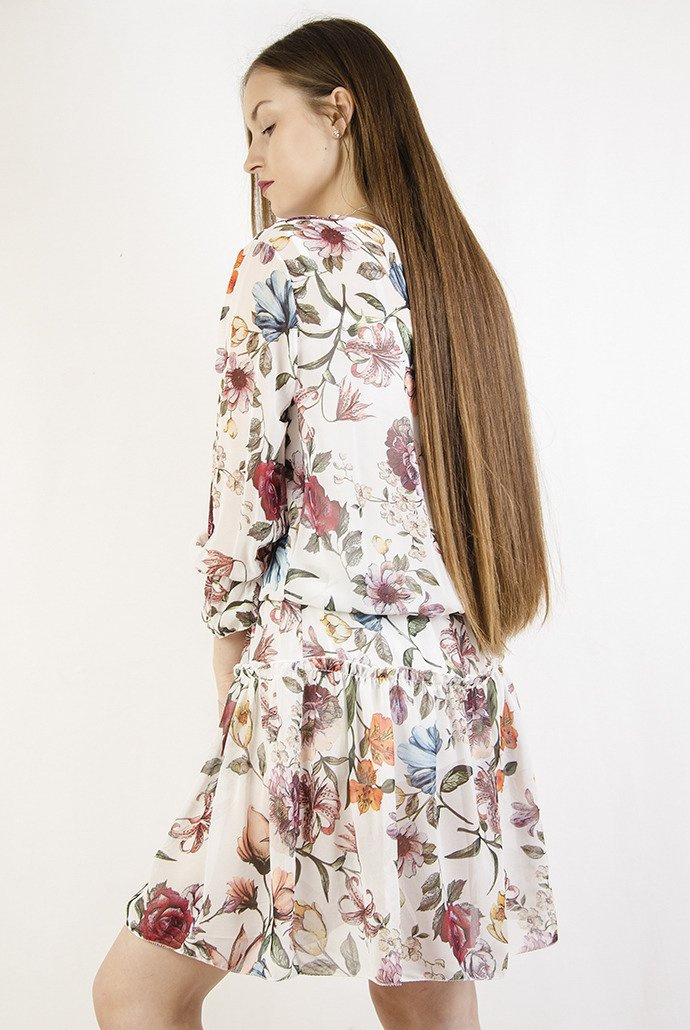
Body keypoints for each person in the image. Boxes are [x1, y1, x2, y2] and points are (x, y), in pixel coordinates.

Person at [93, 16, 559, 1030]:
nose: (251, 157)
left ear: (339, 111)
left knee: (135, 992)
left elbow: (242, 498)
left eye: (266, 124)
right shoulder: (459, 280)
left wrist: (234, 679)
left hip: (316, 681)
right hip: (445, 693)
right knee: (428, 1011)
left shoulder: (285, 261)